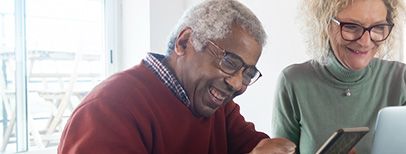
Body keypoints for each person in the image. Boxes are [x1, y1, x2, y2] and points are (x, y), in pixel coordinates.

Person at [58, 0, 295, 153]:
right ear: (184, 42)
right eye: (229, 62)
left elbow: (259, 147)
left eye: (247, 73)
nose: (237, 84)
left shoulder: (219, 108)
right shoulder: (109, 109)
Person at [272, 0, 406, 153]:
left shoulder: (403, 81)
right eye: (351, 27)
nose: (365, 42)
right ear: (325, 23)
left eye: (378, 27)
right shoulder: (293, 82)